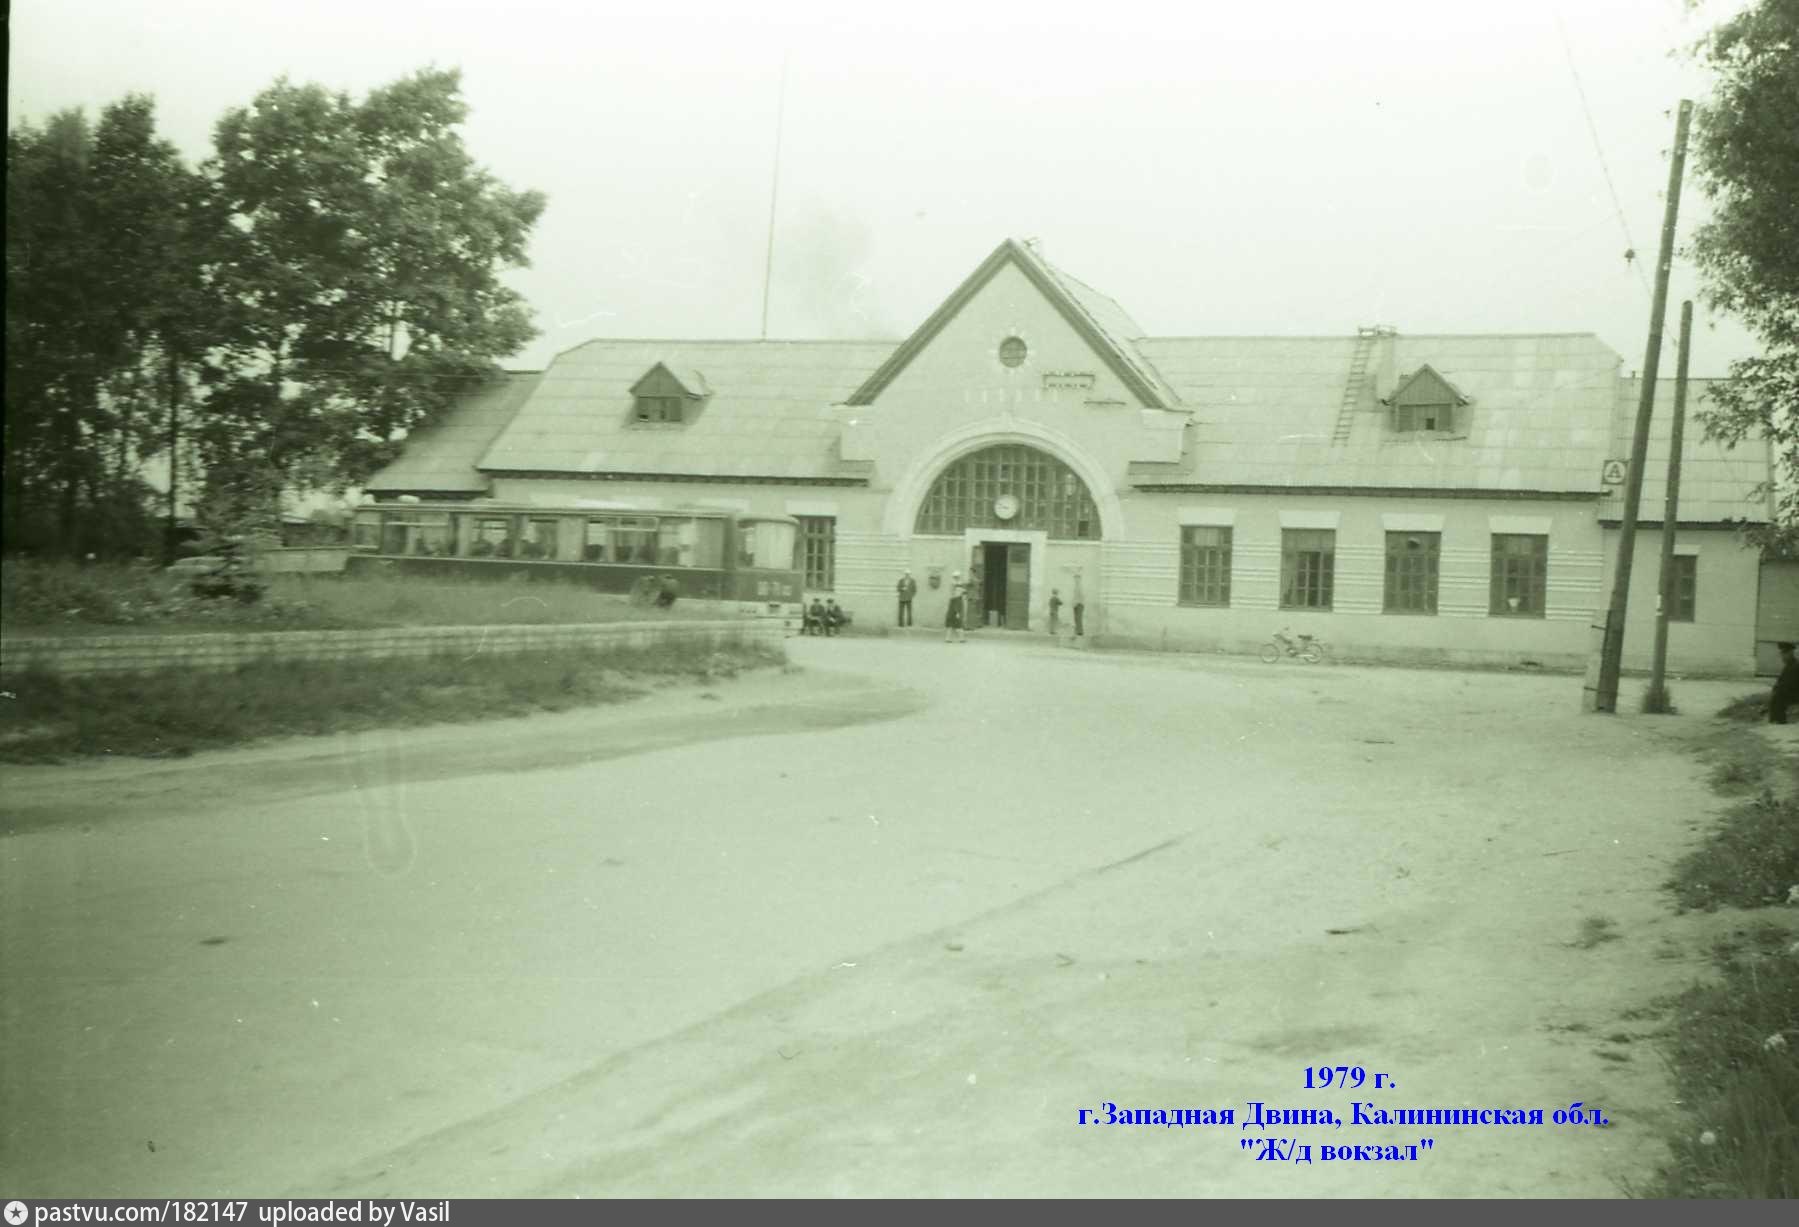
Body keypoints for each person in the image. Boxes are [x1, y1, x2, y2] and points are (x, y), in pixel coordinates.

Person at [1771, 641, 1799, 724]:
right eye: (1782, 654)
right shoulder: (1789, 665)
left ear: (1791, 653)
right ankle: (1776, 721)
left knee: (1778, 698)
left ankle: (1780, 722)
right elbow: (1781, 681)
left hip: (1795, 693)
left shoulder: (1795, 666)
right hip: (1791, 692)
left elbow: (1789, 684)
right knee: (1776, 696)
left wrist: (1777, 689)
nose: (1782, 657)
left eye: (1785, 654)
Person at [944, 572, 968, 644]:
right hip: (955, 610)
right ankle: (961, 639)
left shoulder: (954, 595)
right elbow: (956, 604)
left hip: (952, 609)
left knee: (951, 624)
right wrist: (957, 612)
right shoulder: (957, 596)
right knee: (957, 624)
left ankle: (948, 638)